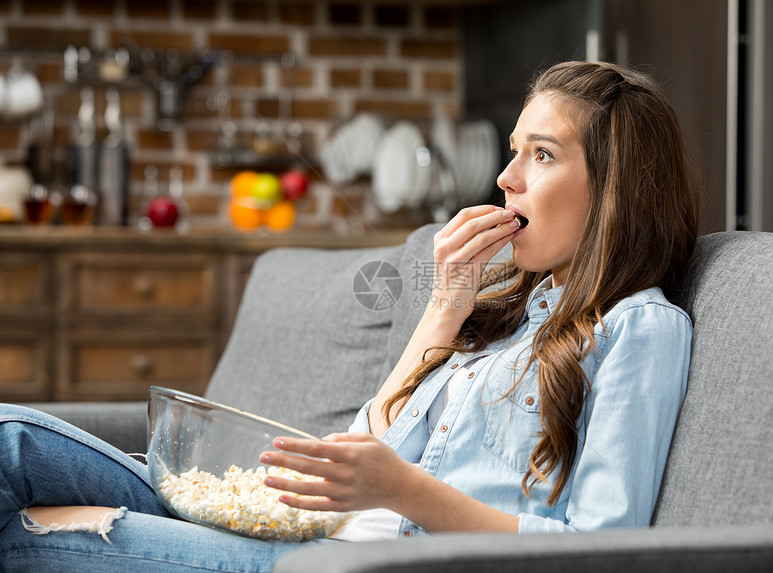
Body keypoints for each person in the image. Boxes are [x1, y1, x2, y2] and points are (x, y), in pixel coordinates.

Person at [0, 60, 700, 571]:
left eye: (541, 155)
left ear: (613, 189)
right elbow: (366, 444)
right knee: (10, 443)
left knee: (18, 535)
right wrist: (441, 311)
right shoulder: (505, 317)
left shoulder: (639, 329)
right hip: (302, 528)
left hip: (343, 563)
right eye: (513, 151)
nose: (506, 178)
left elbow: (606, 548)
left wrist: (405, 490)